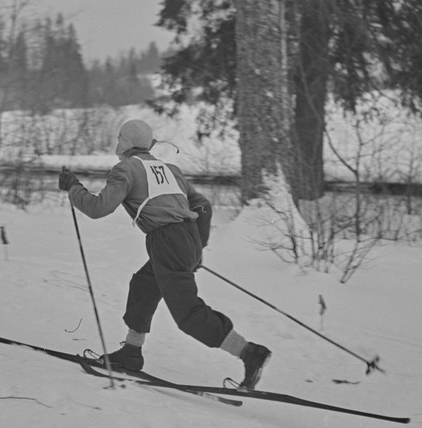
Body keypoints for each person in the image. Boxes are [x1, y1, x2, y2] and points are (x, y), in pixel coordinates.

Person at [58, 119, 271, 391]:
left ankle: (250, 353)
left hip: (168, 242)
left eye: (119, 138)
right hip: (182, 239)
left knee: (188, 314)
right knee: (143, 286)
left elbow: (98, 208)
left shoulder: (125, 169)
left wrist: (73, 187)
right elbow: (202, 205)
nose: (117, 143)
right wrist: (196, 248)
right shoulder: (170, 170)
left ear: (125, 142)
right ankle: (131, 352)